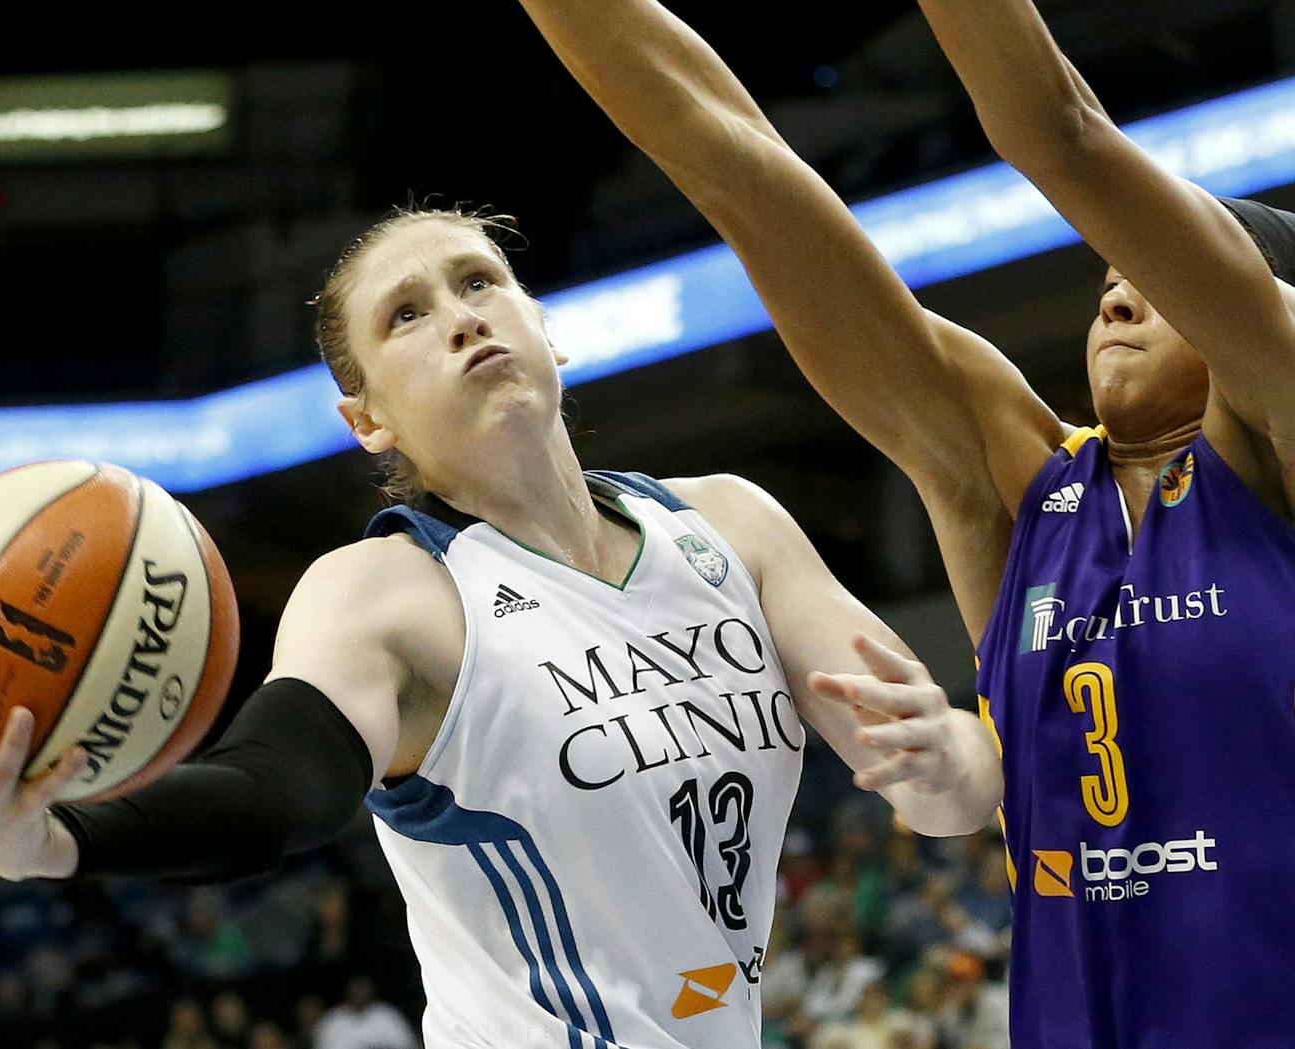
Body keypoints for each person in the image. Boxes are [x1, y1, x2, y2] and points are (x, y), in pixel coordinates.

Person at [0, 206, 1001, 1049]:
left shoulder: (728, 522)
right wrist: (55, 840)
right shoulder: (387, 593)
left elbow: (945, 797)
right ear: (365, 416)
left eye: (480, 280)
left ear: (542, 327)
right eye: (406, 314)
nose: (459, 312)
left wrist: (944, 752)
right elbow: (278, 784)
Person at [513, 0, 1295, 1045]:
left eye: (1152, 284)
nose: (1113, 299)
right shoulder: (1024, 487)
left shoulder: (1272, 451)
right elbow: (737, 170)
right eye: (1108, 284)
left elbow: (1057, 131)